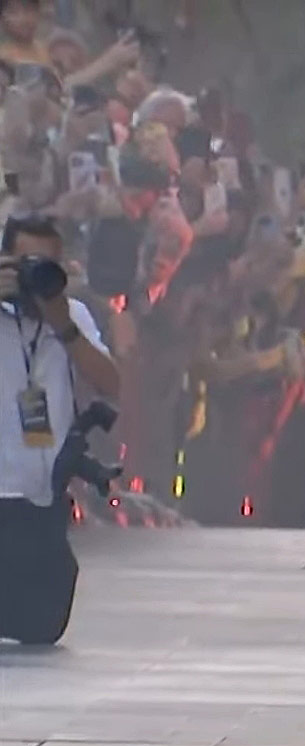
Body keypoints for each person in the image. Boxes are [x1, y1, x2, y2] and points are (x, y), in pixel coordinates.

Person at [0, 214, 118, 645]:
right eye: (25, 264)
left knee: (42, 625)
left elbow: (110, 382)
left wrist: (63, 325)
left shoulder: (70, 317)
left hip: (43, 493)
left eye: (45, 265)